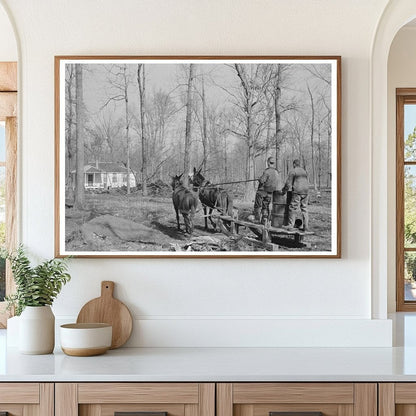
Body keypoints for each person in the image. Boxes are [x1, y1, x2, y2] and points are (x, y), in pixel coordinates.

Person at [282, 159, 309, 231]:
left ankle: (290, 225)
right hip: (306, 192)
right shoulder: (304, 171)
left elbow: (288, 183)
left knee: (293, 207)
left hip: (297, 192)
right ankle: (306, 226)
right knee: (304, 208)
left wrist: (284, 190)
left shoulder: (293, 171)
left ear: (294, 164)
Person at [253, 157, 281, 225]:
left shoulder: (267, 171)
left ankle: (257, 219)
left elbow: (262, 181)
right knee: (266, 206)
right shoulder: (276, 172)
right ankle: (265, 220)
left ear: (268, 163)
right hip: (270, 192)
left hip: (262, 191)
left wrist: (259, 179)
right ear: (273, 163)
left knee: (258, 205)